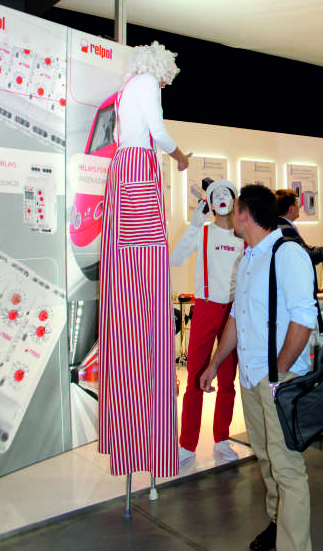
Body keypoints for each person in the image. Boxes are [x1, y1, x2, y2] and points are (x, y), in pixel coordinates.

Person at [201, 184, 316, 551]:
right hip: (252, 377)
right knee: (266, 457)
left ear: (245, 214)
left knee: (287, 467)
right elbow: (237, 317)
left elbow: (303, 319)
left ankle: (294, 545)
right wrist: (214, 364)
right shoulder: (249, 257)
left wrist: (278, 374)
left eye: (233, 209)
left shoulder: (287, 253)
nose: (229, 215)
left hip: (278, 377)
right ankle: (277, 523)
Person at [98, 41, 191, 479]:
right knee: (147, 267)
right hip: (138, 169)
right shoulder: (147, 83)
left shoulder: (126, 88)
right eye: (168, 76)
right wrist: (180, 157)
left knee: (126, 264)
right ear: (161, 69)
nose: (167, 83)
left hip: (122, 172)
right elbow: (158, 130)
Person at [170, 178, 244, 465]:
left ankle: (222, 438)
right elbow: (176, 259)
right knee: (195, 377)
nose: (222, 198)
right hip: (205, 308)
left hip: (233, 311)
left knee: (227, 379)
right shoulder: (201, 232)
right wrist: (192, 225)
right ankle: (187, 444)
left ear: (234, 200)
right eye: (216, 195)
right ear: (210, 203)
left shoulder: (243, 235)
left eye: (227, 193)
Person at [275, 188, 323, 266]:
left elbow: (305, 248)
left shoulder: (278, 226)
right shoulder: (287, 230)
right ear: (291, 209)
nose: (299, 206)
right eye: (297, 203)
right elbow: (307, 256)